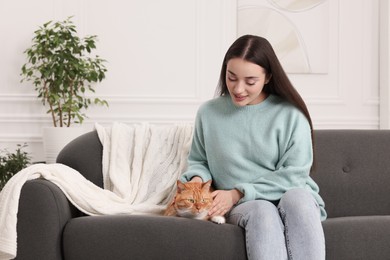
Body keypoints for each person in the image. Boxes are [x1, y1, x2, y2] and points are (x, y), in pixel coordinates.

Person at [181, 35, 326, 260]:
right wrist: (198, 183)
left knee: (298, 198)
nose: (238, 89)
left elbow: (295, 175)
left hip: (282, 197)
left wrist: (237, 192)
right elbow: (199, 161)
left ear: (268, 76)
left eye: (250, 81)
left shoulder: (290, 115)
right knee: (262, 210)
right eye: (231, 78)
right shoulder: (208, 113)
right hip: (245, 206)